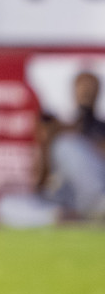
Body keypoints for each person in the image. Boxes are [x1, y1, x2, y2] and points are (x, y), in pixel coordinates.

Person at [37, 71, 105, 221]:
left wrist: (85, 142)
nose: (86, 92)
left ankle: (95, 208)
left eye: (90, 87)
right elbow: (41, 181)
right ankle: (59, 218)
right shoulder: (62, 127)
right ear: (73, 90)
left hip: (95, 195)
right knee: (5, 205)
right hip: (64, 200)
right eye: (82, 87)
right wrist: (48, 140)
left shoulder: (101, 128)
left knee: (68, 145)